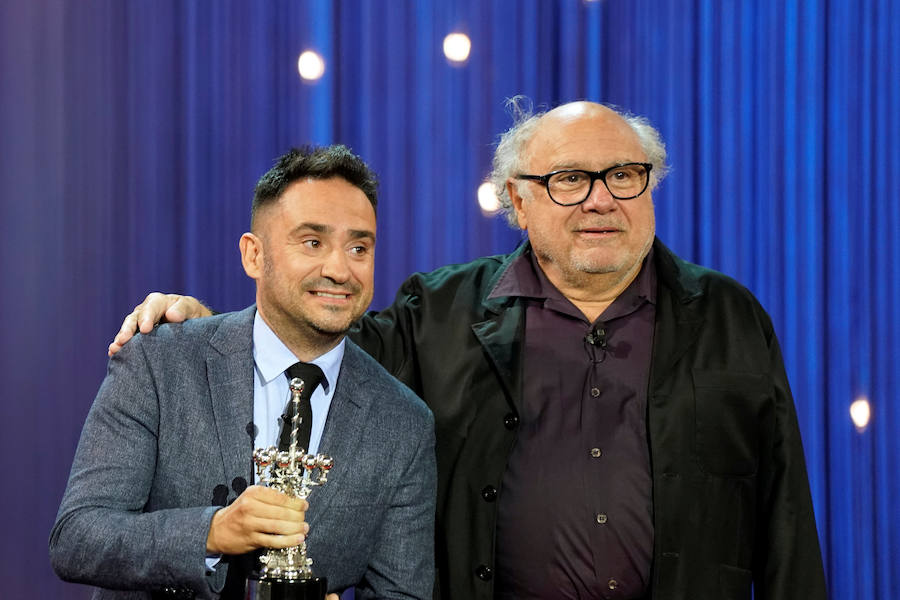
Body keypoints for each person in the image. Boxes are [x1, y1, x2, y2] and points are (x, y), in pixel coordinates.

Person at [108, 101, 827, 600]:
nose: (601, 200)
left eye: (624, 176)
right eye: (569, 180)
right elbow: (308, 350)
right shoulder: (439, 312)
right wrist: (208, 327)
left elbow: (785, 517)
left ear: (650, 187)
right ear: (518, 202)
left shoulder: (731, 315)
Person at [51, 145, 436, 600]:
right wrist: (211, 532)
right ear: (254, 256)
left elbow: (403, 593)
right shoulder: (159, 361)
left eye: (359, 247)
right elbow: (77, 538)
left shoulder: (403, 421)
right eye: (312, 242)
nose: (339, 269)